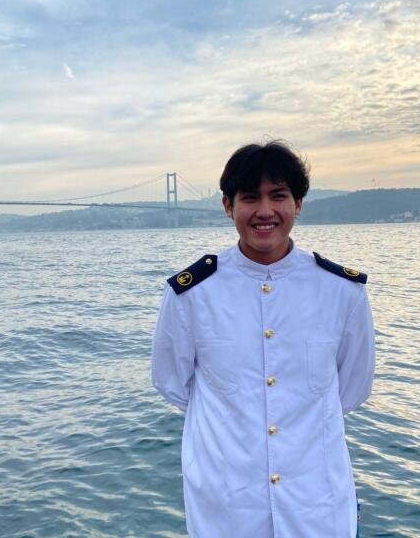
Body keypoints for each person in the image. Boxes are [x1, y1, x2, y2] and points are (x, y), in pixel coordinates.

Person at [151, 141, 376, 538]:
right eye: (250, 197)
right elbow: (172, 382)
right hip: (227, 508)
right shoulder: (191, 294)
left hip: (317, 506)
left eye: (279, 196)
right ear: (228, 206)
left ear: (299, 204)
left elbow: (353, 388)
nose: (265, 211)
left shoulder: (343, 292)